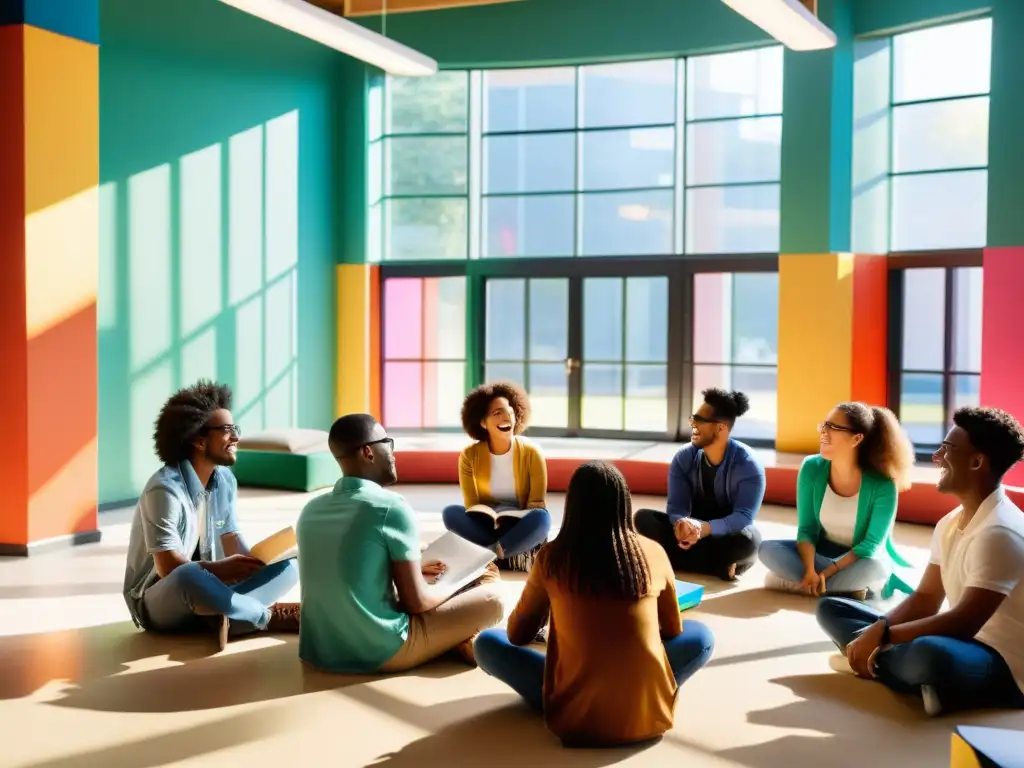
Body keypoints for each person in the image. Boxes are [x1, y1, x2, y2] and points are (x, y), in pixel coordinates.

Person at [474, 461, 714, 748]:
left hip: (574, 719)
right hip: (647, 716)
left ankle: (579, 696)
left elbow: (516, 635)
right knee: (700, 635)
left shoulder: (552, 557)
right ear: (624, 503)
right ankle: (639, 691)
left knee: (487, 642)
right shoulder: (654, 551)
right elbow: (674, 630)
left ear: (572, 505)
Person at [817, 407, 1024, 716]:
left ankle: (880, 662)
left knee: (929, 655)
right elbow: (927, 598)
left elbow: (963, 622)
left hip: (1005, 663)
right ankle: (906, 673)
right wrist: (882, 626)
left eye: (948, 448)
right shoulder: (950, 522)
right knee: (831, 608)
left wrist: (883, 635)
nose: (937, 456)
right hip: (962, 642)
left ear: (977, 461)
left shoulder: (1000, 532)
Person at [297, 413, 504, 673]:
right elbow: (415, 603)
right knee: (493, 594)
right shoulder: (390, 506)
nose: (393, 453)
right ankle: (457, 639)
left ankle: (454, 637)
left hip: (319, 651)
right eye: (388, 443)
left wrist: (412, 572)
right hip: (381, 650)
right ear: (368, 452)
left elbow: (347, 569)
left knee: (429, 571)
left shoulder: (311, 509)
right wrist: (455, 584)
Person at [122, 380, 300, 650]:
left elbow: (231, 541)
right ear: (198, 439)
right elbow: (168, 567)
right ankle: (266, 616)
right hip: (161, 597)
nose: (236, 437)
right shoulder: (164, 490)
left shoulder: (225, 479)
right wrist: (222, 571)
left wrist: (255, 562)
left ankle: (221, 615)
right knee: (190, 575)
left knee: (290, 567)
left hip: (211, 585)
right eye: (227, 430)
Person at [759, 402, 915, 600]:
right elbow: (807, 529)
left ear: (856, 438)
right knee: (768, 549)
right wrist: (809, 570)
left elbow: (870, 546)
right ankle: (842, 589)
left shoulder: (883, 486)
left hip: (858, 560)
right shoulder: (811, 468)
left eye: (833, 427)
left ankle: (794, 583)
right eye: (824, 425)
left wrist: (825, 574)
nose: (824, 432)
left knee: (874, 568)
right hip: (821, 553)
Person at [634, 388, 765, 581]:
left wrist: (703, 529)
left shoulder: (748, 464)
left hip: (724, 533)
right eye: (693, 418)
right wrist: (682, 524)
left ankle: (674, 559)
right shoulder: (683, 457)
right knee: (644, 519)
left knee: (749, 542)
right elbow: (676, 506)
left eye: (700, 420)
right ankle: (718, 567)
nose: (693, 424)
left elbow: (743, 516)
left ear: (721, 428)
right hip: (691, 529)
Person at [442, 381, 551, 572]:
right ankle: (505, 553)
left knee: (542, 519)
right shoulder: (469, 456)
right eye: (497, 413)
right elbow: (472, 506)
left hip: (518, 525)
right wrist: (490, 518)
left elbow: (536, 503)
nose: (506, 416)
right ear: (483, 423)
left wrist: (514, 521)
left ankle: (488, 554)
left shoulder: (533, 453)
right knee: (450, 513)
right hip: (487, 527)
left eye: (509, 410)